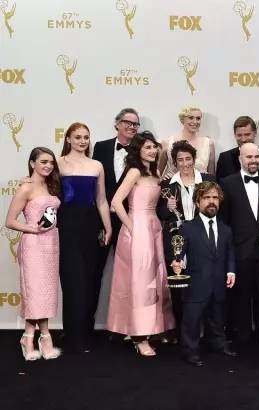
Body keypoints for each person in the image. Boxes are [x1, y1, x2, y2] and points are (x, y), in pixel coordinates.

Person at [106, 131, 175, 356]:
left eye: (154, 147)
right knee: (140, 281)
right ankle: (139, 336)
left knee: (155, 279)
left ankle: (152, 328)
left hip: (153, 227)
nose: (153, 151)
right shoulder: (134, 171)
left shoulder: (155, 172)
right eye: (147, 147)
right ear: (138, 151)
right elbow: (116, 201)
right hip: (137, 229)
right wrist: (131, 227)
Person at [57, 123, 113, 353]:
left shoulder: (96, 165)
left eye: (86, 137)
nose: (82, 141)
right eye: (78, 137)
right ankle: (72, 334)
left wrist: (108, 227)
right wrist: (26, 181)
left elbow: (101, 200)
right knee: (72, 281)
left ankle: (85, 333)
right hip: (66, 226)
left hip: (91, 226)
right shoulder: (58, 163)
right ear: (68, 139)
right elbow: (44, 188)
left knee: (90, 280)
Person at [170, 181, 236, 367]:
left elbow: (230, 252)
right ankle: (189, 351)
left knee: (217, 318)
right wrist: (177, 263)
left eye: (215, 197)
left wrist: (231, 270)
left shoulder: (226, 230)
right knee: (192, 321)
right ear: (197, 202)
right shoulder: (187, 228)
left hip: (218, 283)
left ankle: (218, 344)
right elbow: (179, 253)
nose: (211, 201)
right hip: (196, 284)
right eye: (206, 198)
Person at [5, 147, 62, 360]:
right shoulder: (25, 188)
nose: (48, 166)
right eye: (43, 162)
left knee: (46, 293)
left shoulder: (52, 185)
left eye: (51, 162)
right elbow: (10, 221)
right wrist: (33, 228)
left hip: (51, 244)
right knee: (35, 292)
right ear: (32, 163)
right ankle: (42, 337)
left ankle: (29, 336)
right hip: (33, 245)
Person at [220, 142, 259, 345]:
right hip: (239, 250)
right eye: (249, 157)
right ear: (240, 159)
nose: (253, 161)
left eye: (257, 157)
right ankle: (242, 339)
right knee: (241, 297)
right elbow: (224, 220)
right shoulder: (227, 183)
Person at [156, 140, 215, 339]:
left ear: (194, 159)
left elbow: (217, 208)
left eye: (188, 158)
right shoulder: (167, 184)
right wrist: (168, 208)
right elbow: (160, 214)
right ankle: (183, 334)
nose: (185, 163)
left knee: (204, 283)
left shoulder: (208, 180)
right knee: (179, 288)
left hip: (203, 239)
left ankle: (205, 333)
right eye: (180, 160)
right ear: (174, 162)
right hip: (176, 242)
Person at [92, 107, 140, 324]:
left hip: (129, 220)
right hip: (102, 221)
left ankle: (128, 327)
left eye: (135, 124)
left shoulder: (141, 150)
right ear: (117, 124)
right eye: (127, 122)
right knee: (95, 271)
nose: (131, 126)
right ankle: (86, 326)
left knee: (130, 275)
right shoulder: (100, 147)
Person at [159, 106, 216, 178]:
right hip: (173, 184)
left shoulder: (208, 143)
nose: (195, 122)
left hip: (201, 184)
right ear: (183, 119)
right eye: (191, 118)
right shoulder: (168, 143)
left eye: (198, 118)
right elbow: (158, 173)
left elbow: (211, 175)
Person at [215, 115, 259, 180]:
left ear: (255, 133)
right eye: (239, 135)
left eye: (247, 134)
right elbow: (219, 184)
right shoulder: (225, 158)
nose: (243, 139)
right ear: (235, 135)